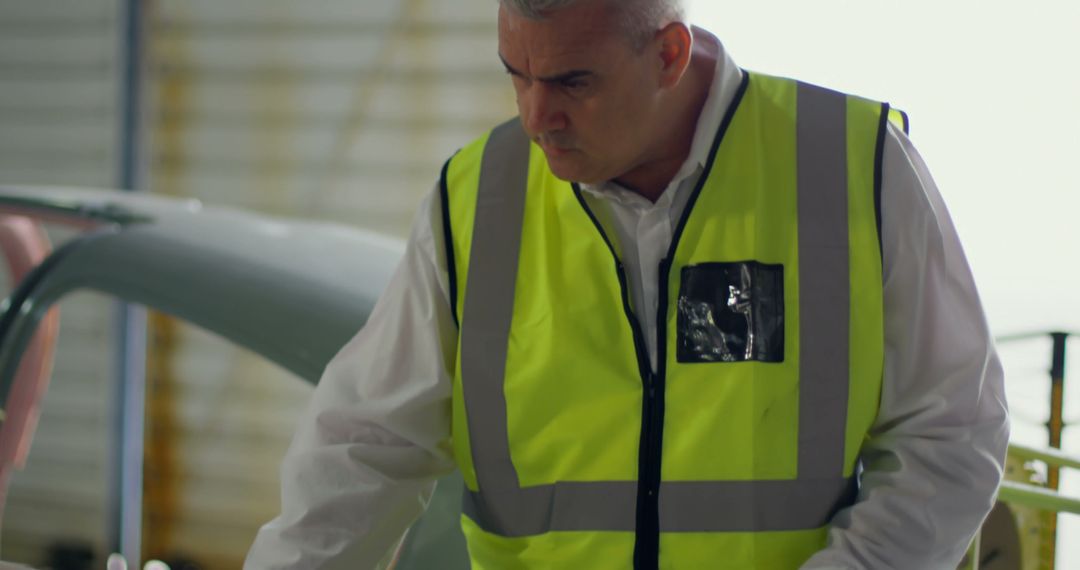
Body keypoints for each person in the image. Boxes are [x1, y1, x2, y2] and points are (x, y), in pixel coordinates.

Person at [245, 0, 1010, 568]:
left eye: (573, 81)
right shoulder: (479, 195)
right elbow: (364, 443)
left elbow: (951, 432)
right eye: (517, 76)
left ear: (670, 53)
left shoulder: (854, 167)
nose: (537, 117)